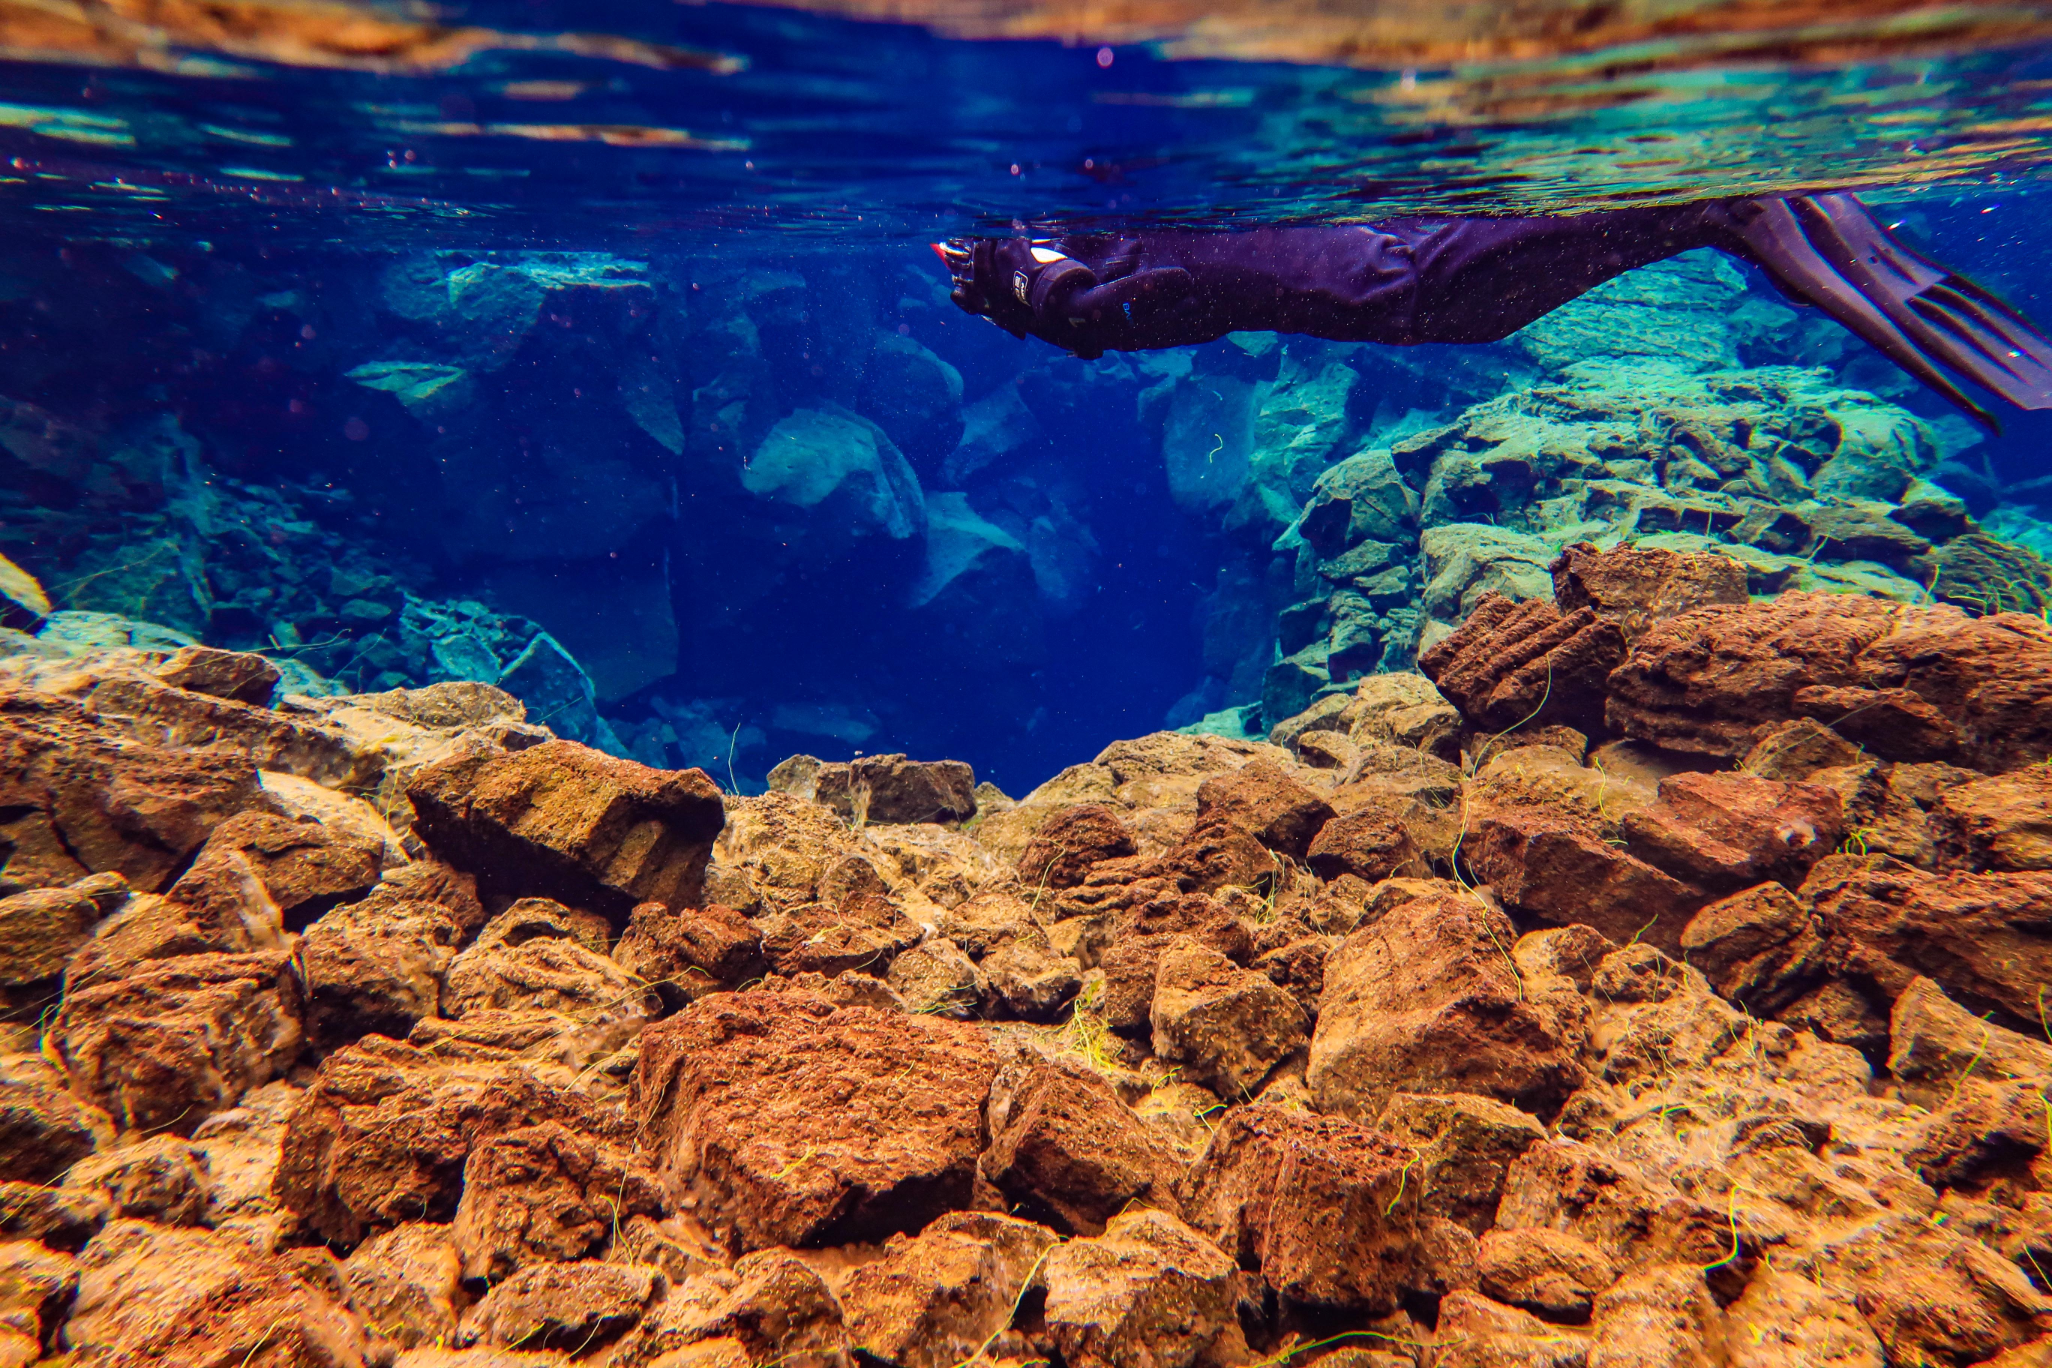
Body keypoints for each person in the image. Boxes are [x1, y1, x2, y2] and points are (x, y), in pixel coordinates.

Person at [934, 193, 2052, 429]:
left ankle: (1782, 213)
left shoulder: (1106, 245)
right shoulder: (1118, 250)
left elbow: (1121, 309)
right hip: (1432, 282)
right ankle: (1792, 220)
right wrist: (1026, 290)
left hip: (1430, 282)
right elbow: (1141, 307)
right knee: (1698, 210)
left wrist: (1024, 287)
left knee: (1707, 208)